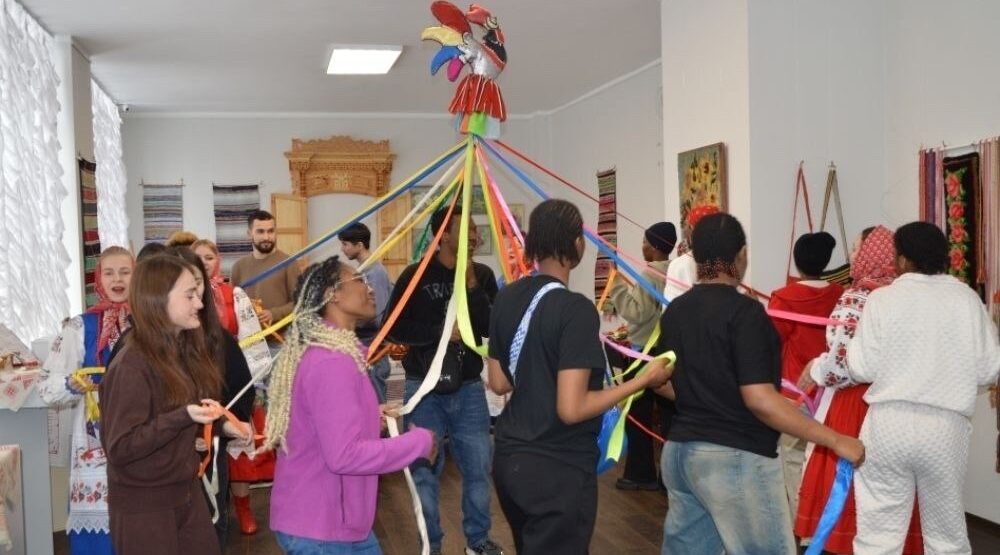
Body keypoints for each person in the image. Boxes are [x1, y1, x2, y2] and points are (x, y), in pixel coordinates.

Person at [655, 212, 865, 555]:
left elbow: (660, 381)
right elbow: (759, 399)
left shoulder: (676, 311)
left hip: (681, 455)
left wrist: (706, 399)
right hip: (734, 459)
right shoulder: (745, 313)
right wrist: (836, 439)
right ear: (741, 255)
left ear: (696, 259)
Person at [486, 199, 673, 554]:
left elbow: (498, 382)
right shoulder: (575, 310)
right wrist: (642, 380)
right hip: (556, 467)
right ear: (576, 243)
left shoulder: (507, 297)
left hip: (510, 459)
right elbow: (572, 408)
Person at [264, 256, 435, 554]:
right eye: (359, 280)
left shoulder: (336, 354)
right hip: (321, 529)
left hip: (336, 524)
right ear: (332, 294)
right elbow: (344, 456)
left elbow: (323, 425)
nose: (370, 288)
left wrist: (369, 416)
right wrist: (418, 443)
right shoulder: (332, 361)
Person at [847, 222, 1000, 554]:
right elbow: (990, 368)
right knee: (947, 537)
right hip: (945, 427)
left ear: (902, 259)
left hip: (888, 424)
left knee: (878, 535)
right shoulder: (966, 299)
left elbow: (861, 368)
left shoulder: (882, 299)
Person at [99, 255, 250, 555]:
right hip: (145, 508)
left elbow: (186, 410)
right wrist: (183, 417)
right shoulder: (131, 365)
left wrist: (224, 426)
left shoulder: (178, 351)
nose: (200, 304)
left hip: (185, 494)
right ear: (159, 299)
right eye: (189, 295)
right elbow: (120, 447)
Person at [795, 226, 924, 554]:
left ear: (869, 254)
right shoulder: (908, 297)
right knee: (892, 488)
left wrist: (817, 369)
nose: (851, 255)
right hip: (899, 402)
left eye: (856, 248)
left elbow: (843, 363)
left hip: (854, 404)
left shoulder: (857, 296)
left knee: (849, 478)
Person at [384, 206, 503, 555]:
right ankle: (430, 544)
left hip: (469, 388)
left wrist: (471, 282)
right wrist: (441, 333)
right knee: (424, 472)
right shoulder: (414, 276)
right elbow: (394, 327)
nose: (473, 236)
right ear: (443, 235)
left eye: (475, 229)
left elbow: (491, 327)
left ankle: (478, 542)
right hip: (422, 388)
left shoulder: (482, 275)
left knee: (479, 468)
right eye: (465, 229)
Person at [38, 246, 134, 555]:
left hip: (140, 433)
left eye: (125, 272)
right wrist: (72, 383)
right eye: (109, 273)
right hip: (94, 439)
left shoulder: (150, 321)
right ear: (98, 279)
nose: (117, 279)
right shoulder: (80, 327)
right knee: (100, 527)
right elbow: (47, 386)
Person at [167, 246, 256, 549]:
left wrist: (221, 425)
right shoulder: (143, 346)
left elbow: (242, 387)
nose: (196, 297)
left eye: (198, 284)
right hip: (166, 465)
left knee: (211, 526)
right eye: (186, 289)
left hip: (210, 453)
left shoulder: (218, 337)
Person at [229, 209, 302, 533]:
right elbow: (231, 307)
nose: (267, 236)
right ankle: (244, 508)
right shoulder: (239, 268)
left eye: (271, 230)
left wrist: (273, 314)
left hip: (281, 351)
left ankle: (289, 501)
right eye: (261, 231)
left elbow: (301, 302)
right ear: (250, 234)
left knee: (284, 425)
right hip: (245, 354)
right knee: (247, 427)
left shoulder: (288, 262)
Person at [767, 231, 844, 518]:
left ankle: (800, 522)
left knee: (792, 456)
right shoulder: (841, 295)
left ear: (797, 262)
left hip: (794, 393)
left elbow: (771, 343)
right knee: (823, 458)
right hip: (831, 392)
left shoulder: (784, 298)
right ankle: (820, 521)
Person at [603, 221, 676, 491]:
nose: (642, 246)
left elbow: (637, 313)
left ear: (655, 246)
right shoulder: (674, 270)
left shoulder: (650, 273)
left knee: (637, 414)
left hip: (644, 353)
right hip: (667, 352)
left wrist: (617, 287)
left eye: (645, 242)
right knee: (669, 416)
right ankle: (669, 479)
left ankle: (641, 473)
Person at [338, 223, 394, 403]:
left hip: (373, 346)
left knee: (376, 402)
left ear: (360, 245)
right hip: (363, 343)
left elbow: (379, 315)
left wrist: (349, 321)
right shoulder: (361, 272)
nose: (342, 249)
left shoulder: (375, 273)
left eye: (345, 244)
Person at [663, 204, 719, 302]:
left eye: (687, 225)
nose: (684, 231)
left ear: (692, 229)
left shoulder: (678, 265)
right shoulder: (732, 261)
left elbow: (670, 305)